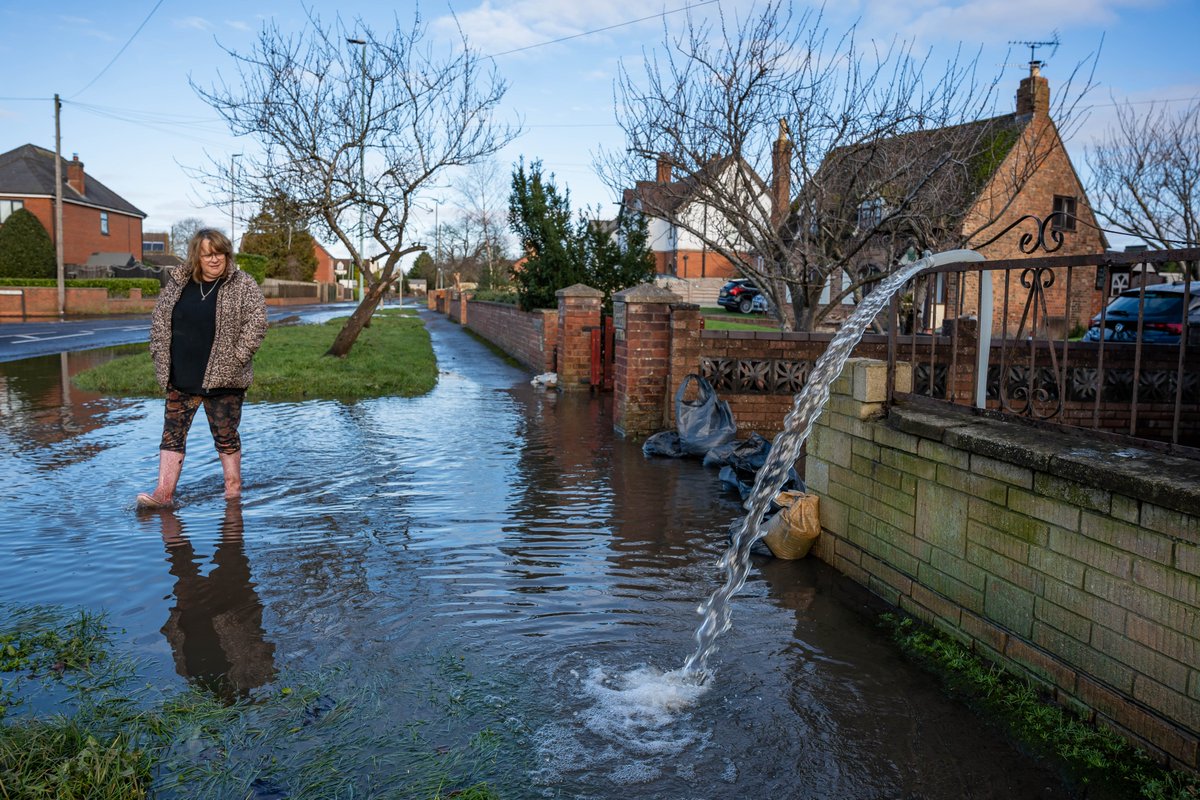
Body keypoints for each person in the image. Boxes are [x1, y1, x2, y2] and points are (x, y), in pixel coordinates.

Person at [136, 229, 267, 508]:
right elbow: (159, 323)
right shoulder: (178, 284)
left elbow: (257, 324)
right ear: (197, 255)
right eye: (208, 254)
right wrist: (159, 355)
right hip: (181, 377)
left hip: (225, 380)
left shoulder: (242, 283)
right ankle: (163, 493)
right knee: (171, 434)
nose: (215, 259)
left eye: (219, 253)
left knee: (226, 437)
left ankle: (233, 489)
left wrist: (236, 359)